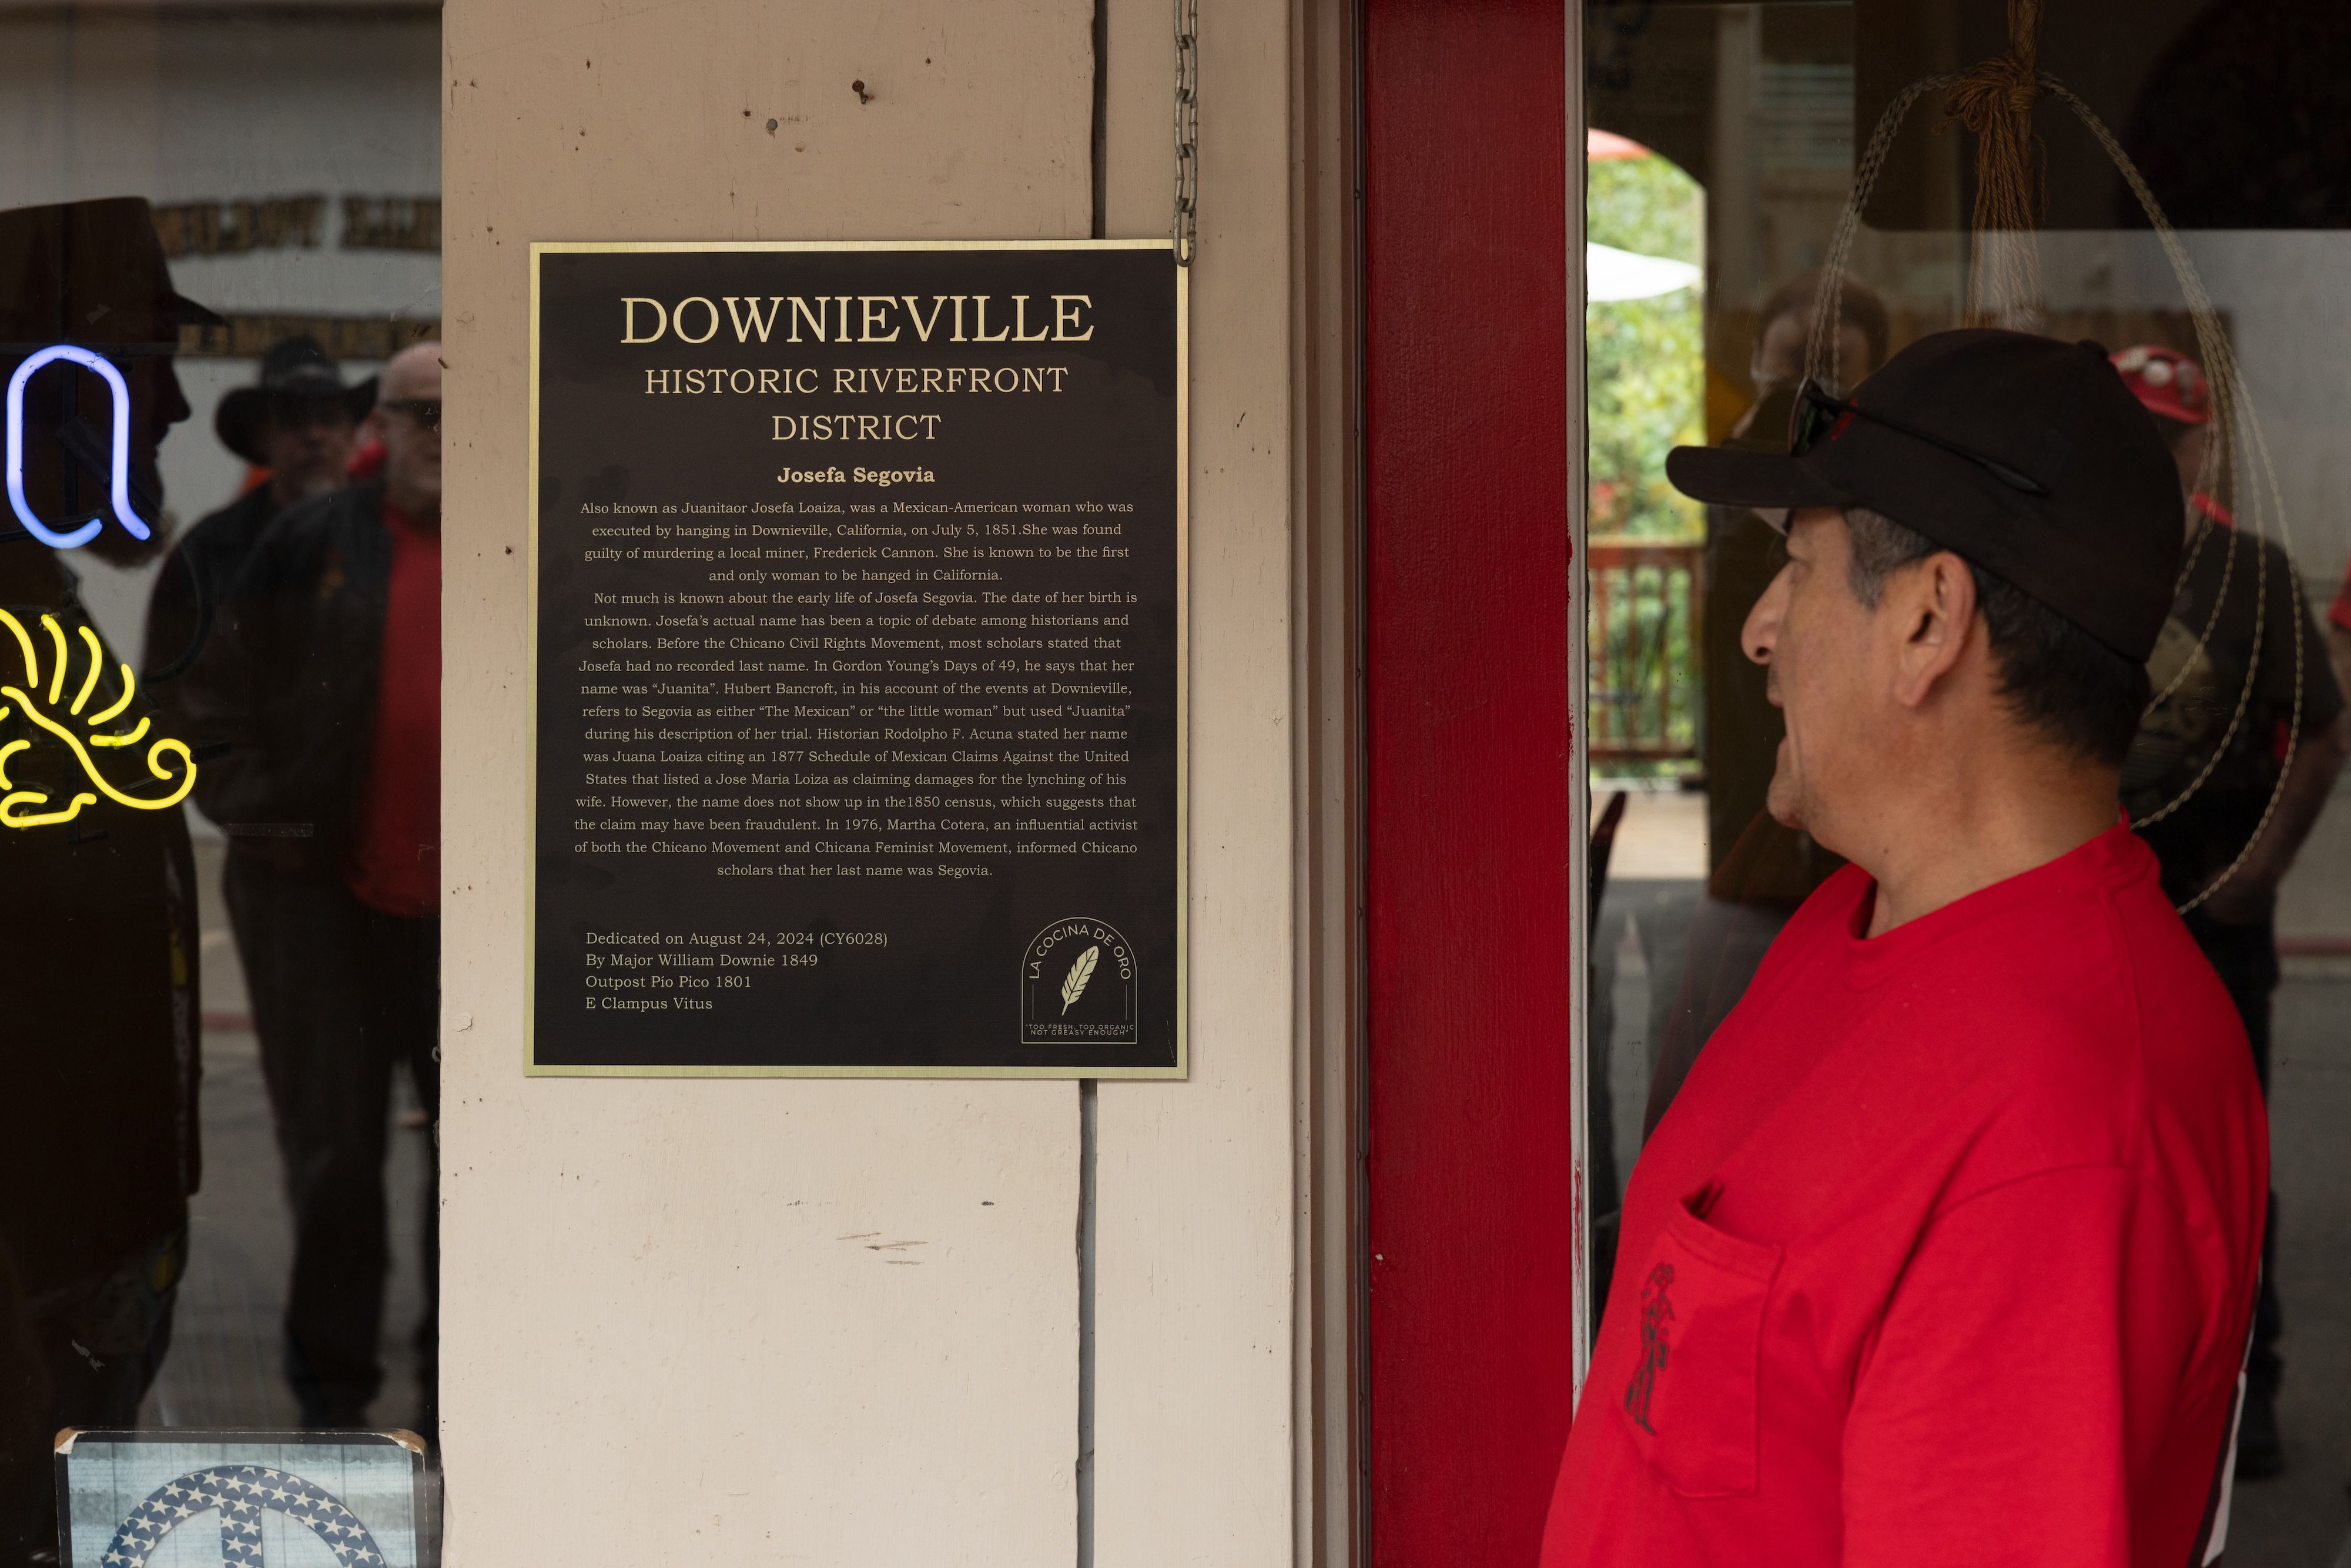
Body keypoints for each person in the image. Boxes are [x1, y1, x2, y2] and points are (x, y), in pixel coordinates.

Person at [1543, 331, 2268, 1566]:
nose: (1758, 634)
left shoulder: (2061, 1134)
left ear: (1928, 616)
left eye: (1797, 568)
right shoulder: (1853, 921)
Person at [0, 196, 219, 1559]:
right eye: (149, 358)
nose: (182, 408)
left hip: (92, 1244)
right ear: (54, 385)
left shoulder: (38, 603)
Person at [189, 340, 443, 1429]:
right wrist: (271, 820)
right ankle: (334, 1401)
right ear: (381, 427)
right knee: (336, 1160)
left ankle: (460, 1392)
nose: (441, 437)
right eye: (420, 416)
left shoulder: (547, 533)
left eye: (461, 414)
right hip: (328, 906)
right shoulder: (307, 540)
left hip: (475, 927)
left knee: (477, 1168)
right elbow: (208, 702)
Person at [2109, 342, 2348, 1477]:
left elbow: (2324, 727)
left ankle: (2249, 1387)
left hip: (2212, 913)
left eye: (2166, 432)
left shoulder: (2249, 574)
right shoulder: (2063, 557)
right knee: (2089, 1155)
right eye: (2131, 432)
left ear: (2198, 438)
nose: (2150, 452)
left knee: (2224, 1159)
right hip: (2087, 921)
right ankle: (2118, 1382)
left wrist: (2260, 869)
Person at [142, 335, 373, 696]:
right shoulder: (207, 553)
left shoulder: (390, 534)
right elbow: (171, 691)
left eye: (328, 420)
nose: (314, 435)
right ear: (262, 437)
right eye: (294, 421)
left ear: (353, 434)